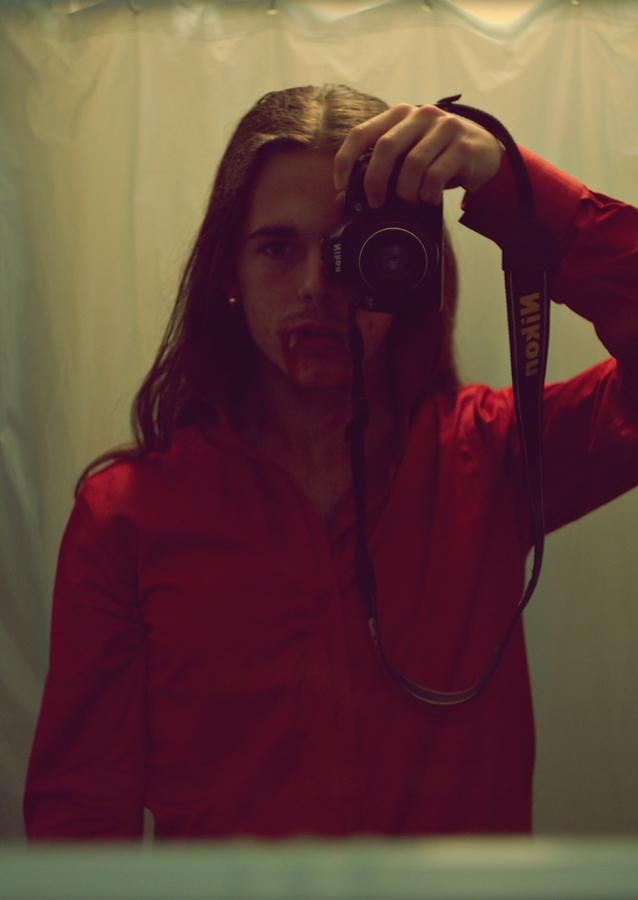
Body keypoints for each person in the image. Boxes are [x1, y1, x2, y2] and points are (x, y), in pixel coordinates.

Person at [23, 85, 638, 839]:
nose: (317, 286)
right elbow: (80, 820)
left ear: (409, 269)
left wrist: (510, 188)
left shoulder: (495, 455)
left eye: (357, 247)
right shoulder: (127, 517)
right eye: (278, 248)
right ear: (227, 273)